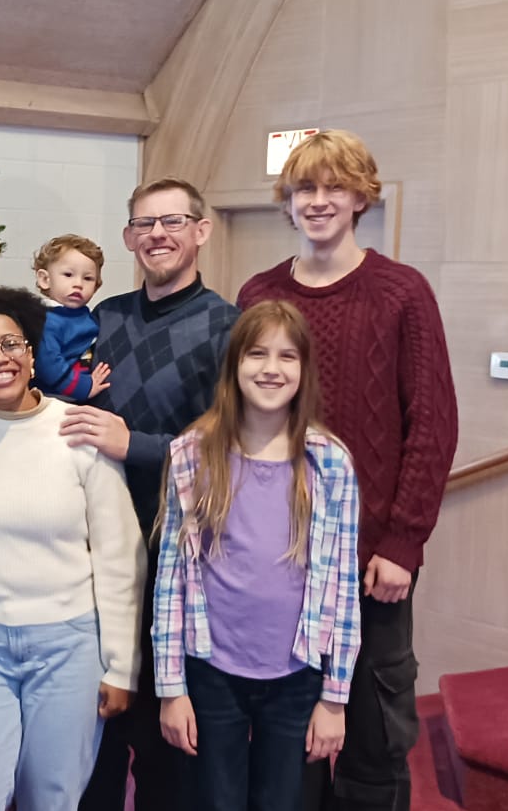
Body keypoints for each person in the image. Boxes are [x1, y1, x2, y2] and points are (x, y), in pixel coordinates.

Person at [235, 130, 457, 811]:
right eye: (306, 188)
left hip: (369, 563)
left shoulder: (401, 292)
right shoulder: (259, 293)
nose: (320, 201)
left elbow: (433, 424)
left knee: (372, 740)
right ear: (288, 200)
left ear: (363, 195)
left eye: (335, 187)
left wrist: (402, 544)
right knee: (286, 739)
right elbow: (239, 422)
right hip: (280, 557)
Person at [0, 286, 146, 811]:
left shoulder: (77, 430)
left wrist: (120, 667)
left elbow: (120, 557)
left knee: (52, 798)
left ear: (30, 352)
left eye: (10, 344)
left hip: (67, 646)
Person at [67, 177, 240, 811]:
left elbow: (235, 451)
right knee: (96, 740)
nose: (157, 236)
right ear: (127, 237)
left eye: (171, 222)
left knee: (169, 751)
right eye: (144, 225)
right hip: (97, 558)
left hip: (181, 559)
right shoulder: (102, 319)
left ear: (201, 230)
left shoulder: (228, 327)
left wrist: (133, 442)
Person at [153, 301, 363, 810]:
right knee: (214, 800)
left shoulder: (329, 461)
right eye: (257, 354)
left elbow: (342, 583)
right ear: (234, 365)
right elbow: (170, 580)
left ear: (303, 370)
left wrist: (335, 699)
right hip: (211, 669)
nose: (271, 368)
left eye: (287, 357)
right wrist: (170, 687)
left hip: (295, 673)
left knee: (282, 800)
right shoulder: (192, 453)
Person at [32, 234, 113, 402]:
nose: (78, 283)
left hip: (82, 392)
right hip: (54, 397)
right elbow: (48, 366)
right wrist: (84, 388)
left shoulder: (88, 315)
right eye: (68, 275)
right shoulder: (47, 320)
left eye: (88, 278)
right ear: (45, 279)